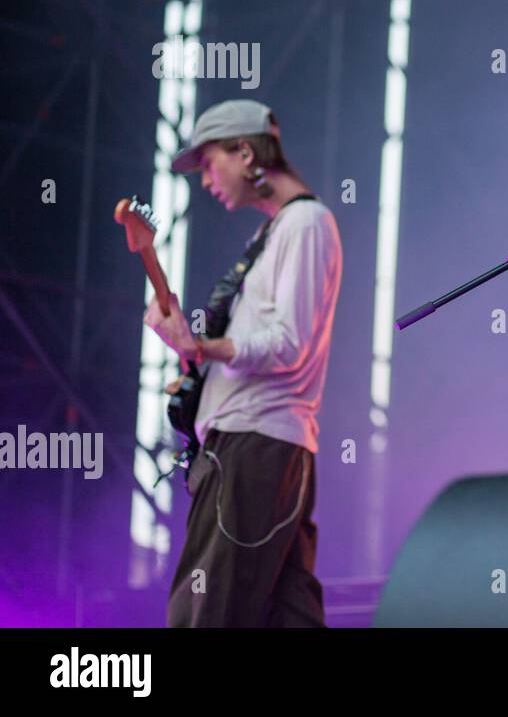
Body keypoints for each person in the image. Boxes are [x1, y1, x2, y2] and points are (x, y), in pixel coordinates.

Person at [144, 99, 342, 626]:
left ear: (245, 151)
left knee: (205, 615)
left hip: (252, 447)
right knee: (287, 615)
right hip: (263, 446)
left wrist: (203, 347)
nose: (206, 180)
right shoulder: (276, 231)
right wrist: (192, 346)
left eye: (210, 164)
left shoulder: (305, 223)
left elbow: (287, 342)